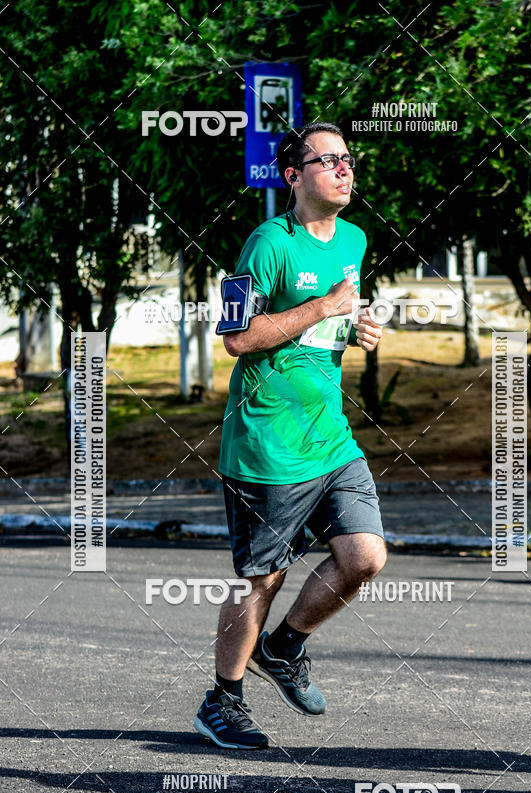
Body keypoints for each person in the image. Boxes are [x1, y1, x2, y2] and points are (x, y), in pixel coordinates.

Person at [194, 121, 386, 749]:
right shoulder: (265, 243)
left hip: (330, 436)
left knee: (364, 556)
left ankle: (284, 646)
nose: (343, 169)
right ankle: (221, 701)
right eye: (327, 160)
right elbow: (236, 338)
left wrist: (357, 328)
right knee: (262, 578)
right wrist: (322, 309)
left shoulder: (354, 238)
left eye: (348, 159)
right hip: (267, 444)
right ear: (293, 176)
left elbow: (335, 318)